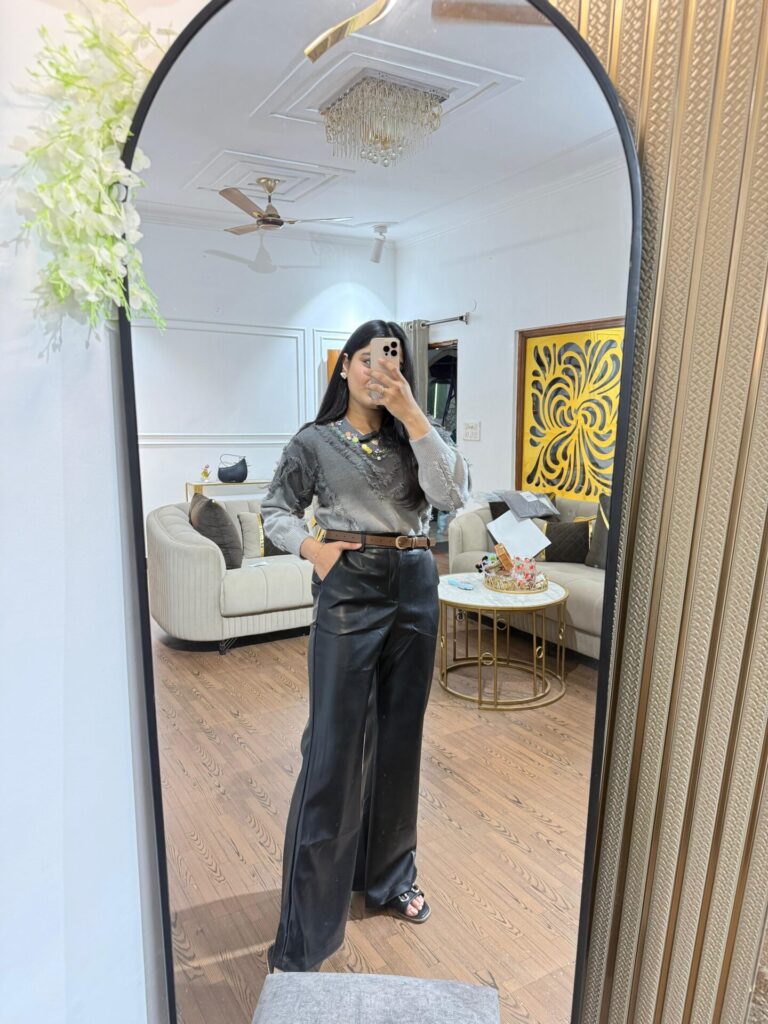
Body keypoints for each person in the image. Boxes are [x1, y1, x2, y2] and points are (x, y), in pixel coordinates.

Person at [260, 319, 471, 972]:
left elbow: (453, 495)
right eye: (370, 359)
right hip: (350, 582)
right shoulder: (315, 441)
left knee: (401, 742)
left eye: (393, 360)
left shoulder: (417, 435)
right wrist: (314, 549)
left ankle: (388, 878)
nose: (381, 370)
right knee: (332, 752)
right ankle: (306, 928)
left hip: (416, 580)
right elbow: (275, 509)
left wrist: (413, 413)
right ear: (347, 365)